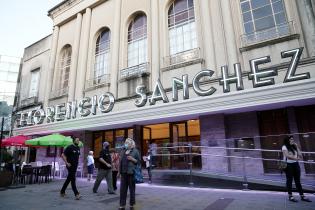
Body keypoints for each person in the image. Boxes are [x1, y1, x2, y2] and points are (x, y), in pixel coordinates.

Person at [282, 135, 312, 202]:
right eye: (291, 139)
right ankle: (290, 196)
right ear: (288, 140)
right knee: (289, 180)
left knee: (298, 181)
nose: (292, 140)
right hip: (288, 165)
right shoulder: (284, 147)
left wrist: (297, 147)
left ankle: (302, 196)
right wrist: (296, 158)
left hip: (295, 164)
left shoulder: (294, 146)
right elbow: (287, 156)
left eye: (293, 139)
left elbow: (300, 155)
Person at [119, 138, 140, 210]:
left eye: (127, 142)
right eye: (125, 142)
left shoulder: (135, 151)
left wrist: (132, 159)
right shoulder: (123, 151)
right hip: (124, 173)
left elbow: (139, 162)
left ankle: (132, 204)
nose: (126, 144)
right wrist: (119, 172)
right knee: (122, 190)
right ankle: (122, 205)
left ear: (131, 144)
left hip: (131, 173)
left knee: (132, 190)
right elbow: (121, 162)